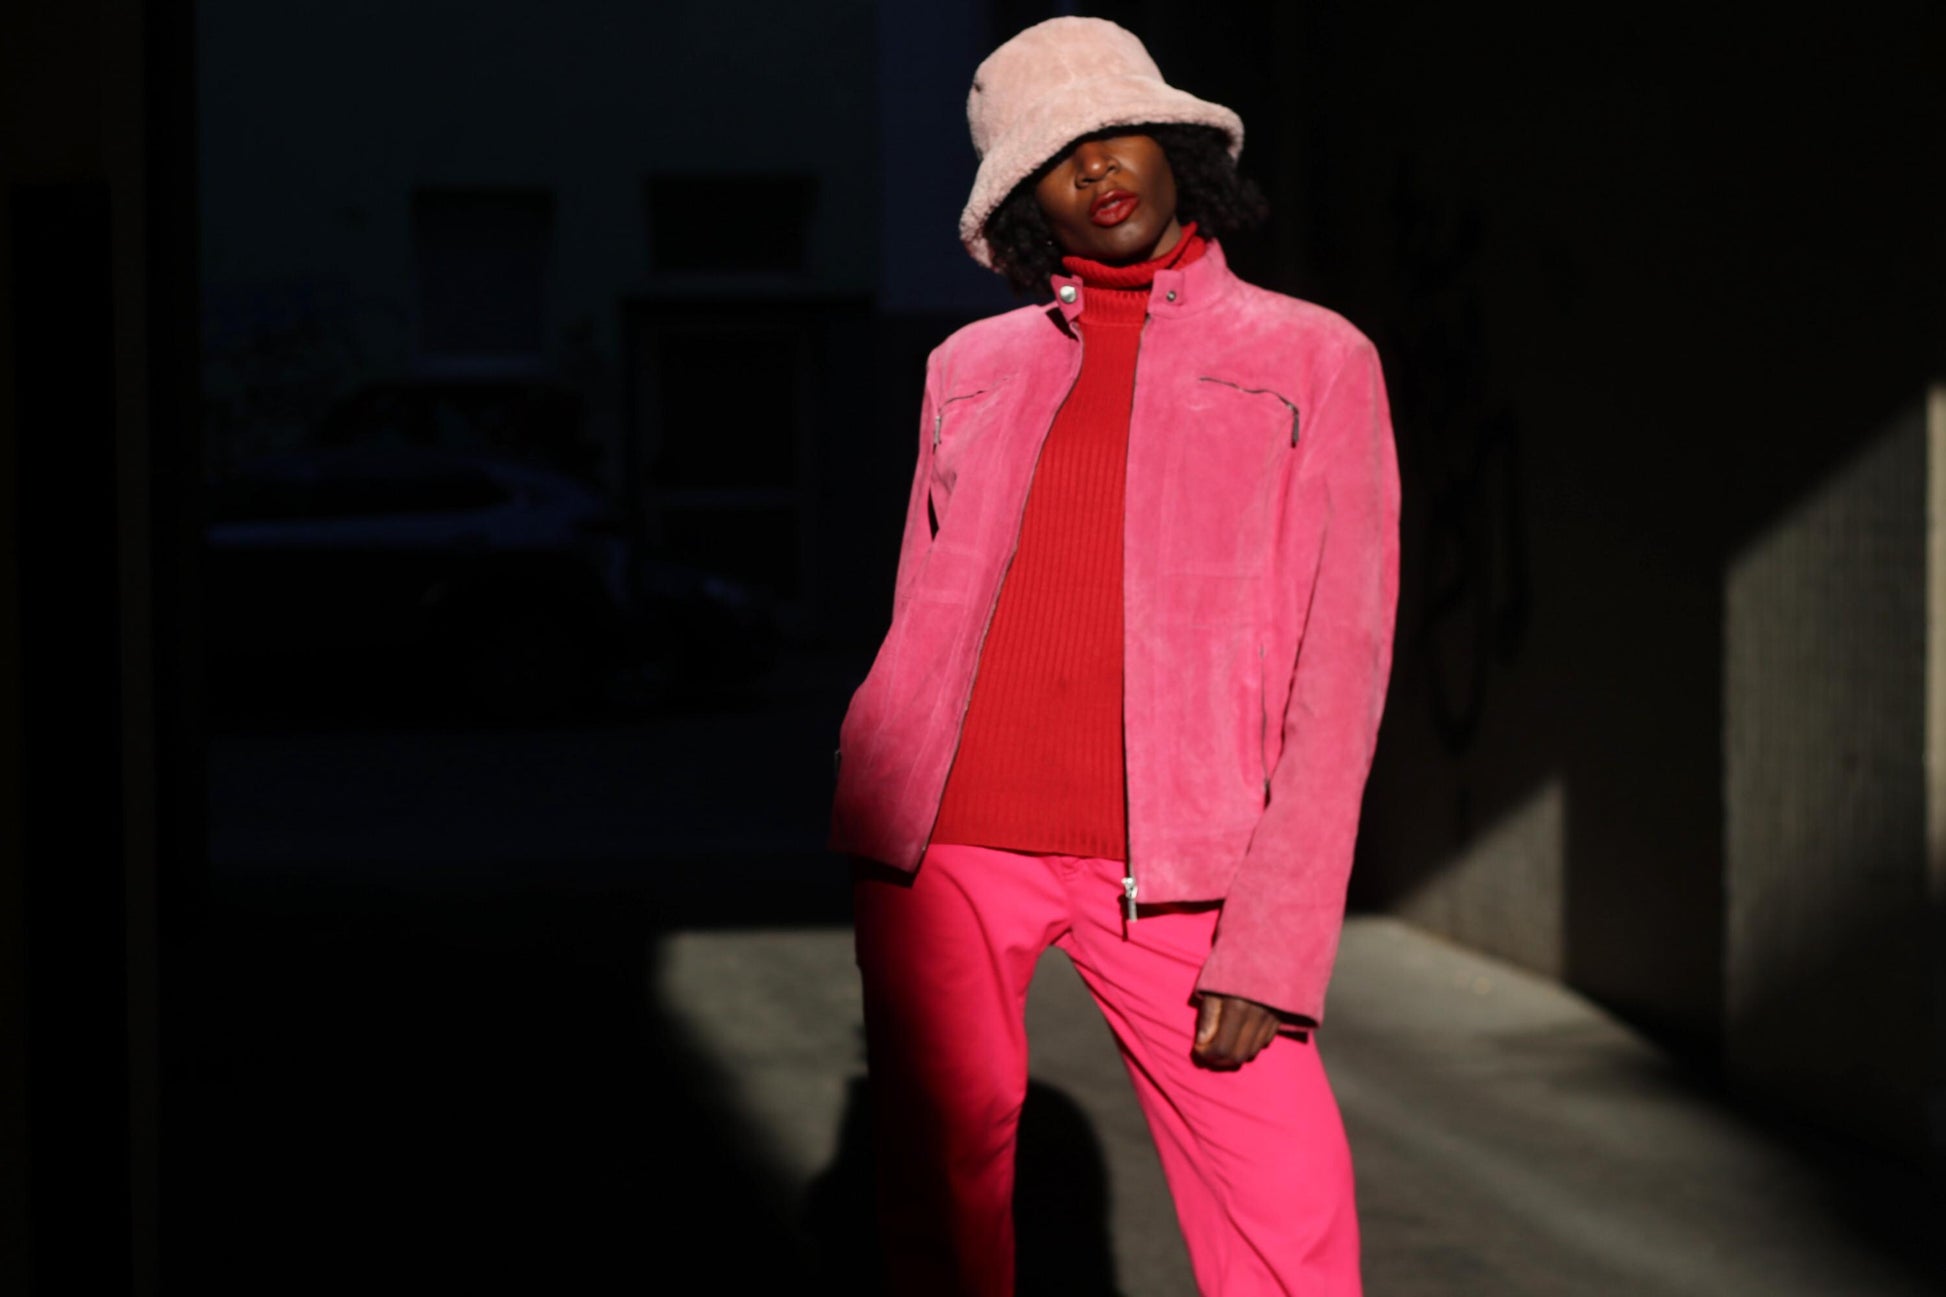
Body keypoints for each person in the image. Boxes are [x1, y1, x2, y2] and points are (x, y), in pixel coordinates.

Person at [830, 17, 1399, 1296]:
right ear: (1025, 201)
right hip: (946, 847)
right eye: (1055, 153)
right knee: (939, 1192)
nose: (1094, 167)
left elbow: (1341, 671)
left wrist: (1275, 939)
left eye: (1113, 131)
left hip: (1186, 870)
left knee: (1285, 1220)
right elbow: (922, 611)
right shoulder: (966, 368)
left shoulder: (1313, 360)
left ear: (1172, 145)